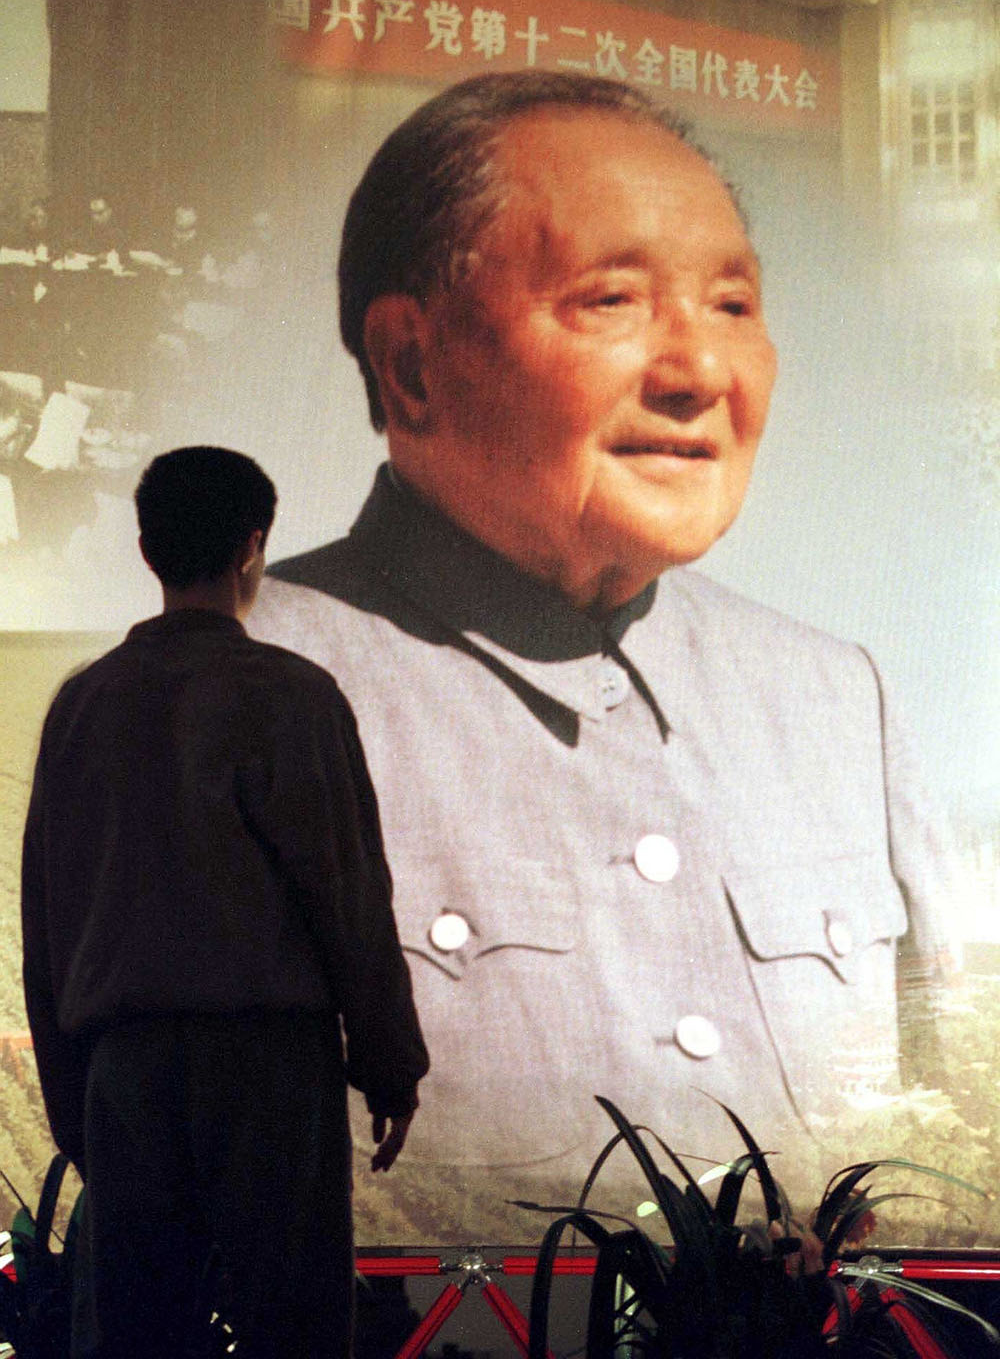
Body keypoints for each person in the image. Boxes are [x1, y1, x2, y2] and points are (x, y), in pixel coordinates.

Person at [250, 72, 958, 1202]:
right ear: (411, 364)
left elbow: (941, 1157)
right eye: (611, 300)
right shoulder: (233, 694)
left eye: (732, 304)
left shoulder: (837, 698)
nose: (700, 372)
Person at [21, 445, 428, 1358]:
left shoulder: (82, 705)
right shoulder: (294, 697)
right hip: (269, 1066)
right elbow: (349, 897)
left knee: (133, 1335)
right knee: (292, 1330)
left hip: (125, 1070)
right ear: (253, 546)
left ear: (145, 549)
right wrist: (390, 1062)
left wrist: (73, 1096)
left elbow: (46, 922)